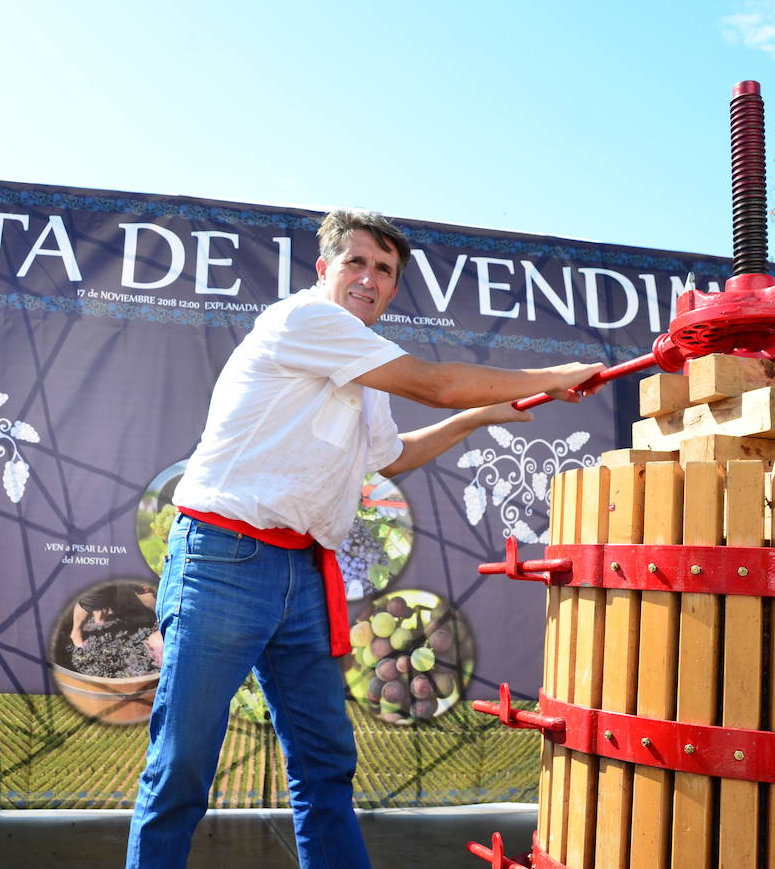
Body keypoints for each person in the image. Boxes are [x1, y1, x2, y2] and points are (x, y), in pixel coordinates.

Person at [125, 209, 603, 869]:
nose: (368, 277)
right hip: (224, 560)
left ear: (392, 288)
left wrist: (479, 416)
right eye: (356, 262)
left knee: (325, 766)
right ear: (324, 271)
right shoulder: (306, 321)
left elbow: (391, 456)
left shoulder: (366, 366)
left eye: (384, 270)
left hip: (302, 577)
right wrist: (552, 376)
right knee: (182, 767)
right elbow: (433, 383)